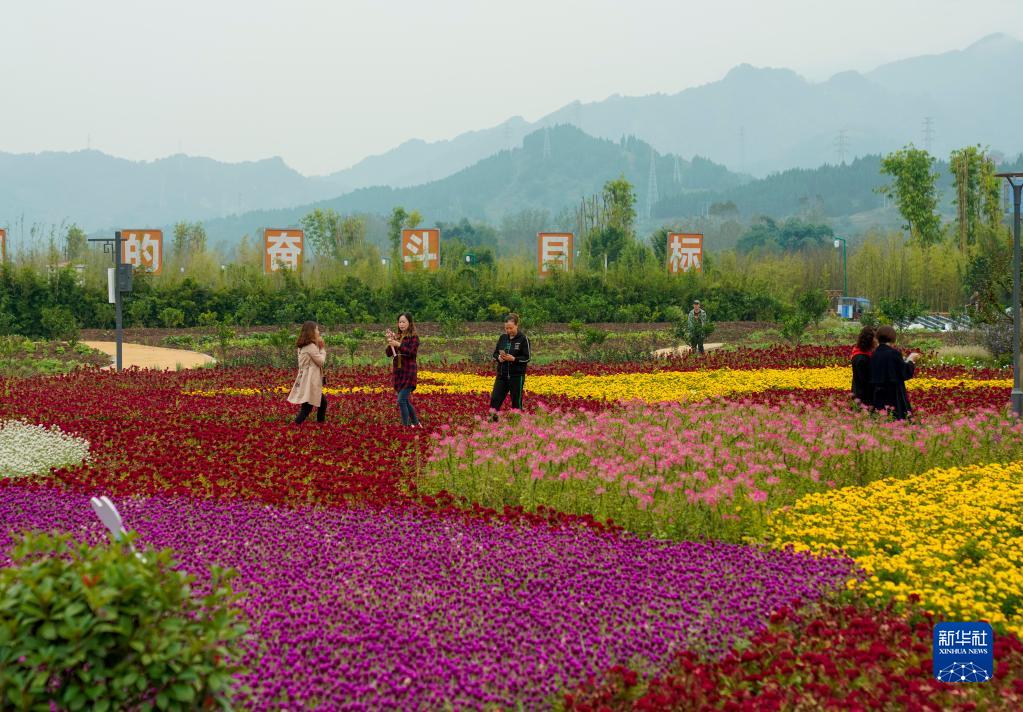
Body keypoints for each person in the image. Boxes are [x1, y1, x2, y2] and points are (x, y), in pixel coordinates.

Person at [870, 325, 918, 420]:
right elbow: (904, 372)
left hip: (878, 394)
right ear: (893, 338)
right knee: (896, 419)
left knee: (881, 420)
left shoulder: (875, 354)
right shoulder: (893, 353)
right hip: (893, 394)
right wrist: (911, 361)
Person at [488, 313, 530, 421]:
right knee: (495, 399)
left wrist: (514, 359)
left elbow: (527, 358)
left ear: (517, 325)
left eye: (511, 328)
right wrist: (499, 358)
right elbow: (495, 353)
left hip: (516, 376)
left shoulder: (523, 339)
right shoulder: (502, 338)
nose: (508, 330)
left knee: (516, 402)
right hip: (502, 375)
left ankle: (517, 425)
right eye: (506, 328)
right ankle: (493, 423)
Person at [287, 321, 327, 424]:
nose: (318, 332)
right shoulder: (310, 346)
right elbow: (321, 362)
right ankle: (295, 426)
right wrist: (322, 349)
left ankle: (320, 424)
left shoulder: (302, 346)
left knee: (322, 403)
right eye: (317, 329)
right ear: (312, 331)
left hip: (305, 378)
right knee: (307, 408)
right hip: (310, 380)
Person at [385, 312, 421, 427]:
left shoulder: (414, 338)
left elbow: (411, 352)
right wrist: (391, 343)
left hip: (409, 372)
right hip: (399, 372)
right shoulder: (398, 336)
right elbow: (388, 354)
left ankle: (406, 426)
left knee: (401, 400)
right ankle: (416, 423)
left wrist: (398, 344)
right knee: (405, 400)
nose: (401, 324)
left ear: (409, 323)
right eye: (400, 322)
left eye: (404, 322)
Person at [850, 325, 876, 407]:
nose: (877, 341)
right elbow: (865, 381)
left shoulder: (860, 353)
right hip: (863, 399)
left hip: (859, 395)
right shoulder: (862, 358)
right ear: (870, 340)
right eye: (876, 338)